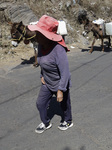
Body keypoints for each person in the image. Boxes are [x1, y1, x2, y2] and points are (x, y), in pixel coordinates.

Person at [28, 15, 73, 134]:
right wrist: (41, 75)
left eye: (39, 34)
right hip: (47, 81)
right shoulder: (40, 46)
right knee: (40, 103)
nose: (36, 36)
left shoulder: (58, 49)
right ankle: (46, 122)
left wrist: (60, 90)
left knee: (64, 105)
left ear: (47, 36)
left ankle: (68, 120)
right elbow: (42, 63)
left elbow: (65, 72)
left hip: (60, 82)